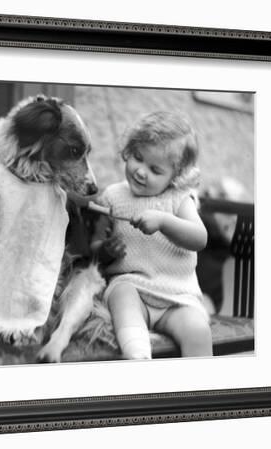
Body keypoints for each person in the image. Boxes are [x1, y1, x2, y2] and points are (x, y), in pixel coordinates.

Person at [91, 111, 212, 359]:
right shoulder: (113, 196)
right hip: (133, 288)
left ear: (175, 177)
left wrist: (165, 222)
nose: (141, 171)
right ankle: (137, 357)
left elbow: (200, 238)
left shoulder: (178, 200)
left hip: (176, 298)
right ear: (129, 150)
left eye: (155, 170)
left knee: (198, 331)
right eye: (137, 157)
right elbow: (94, 246)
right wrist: (104, 251)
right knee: (121, 293)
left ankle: (201, 389)